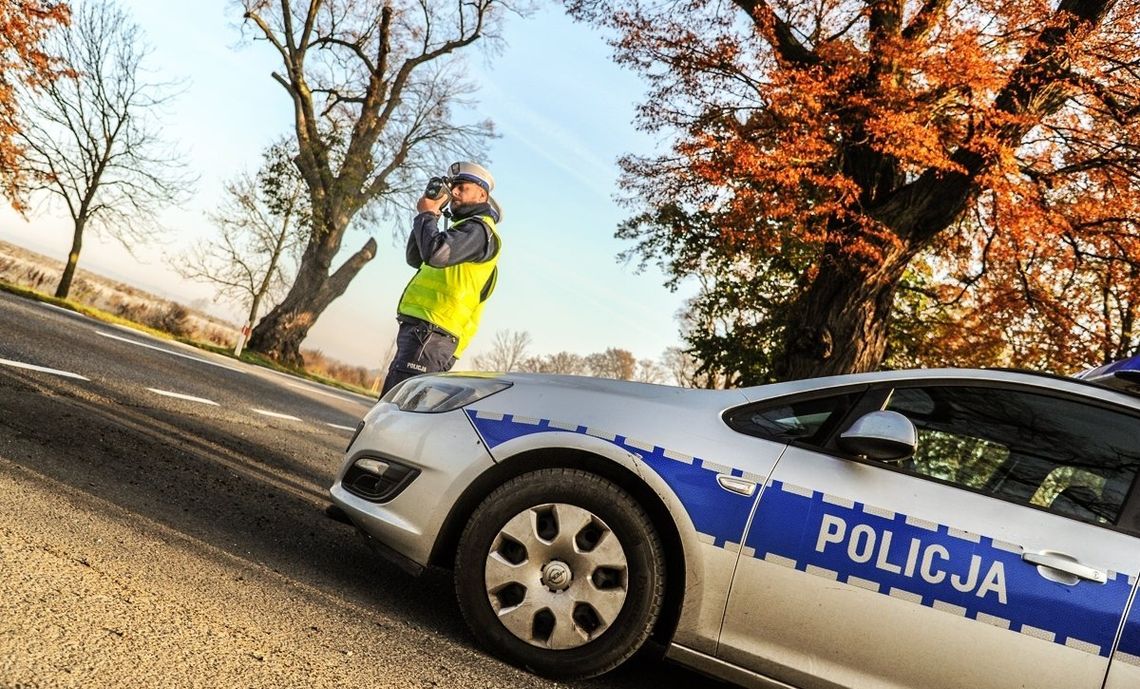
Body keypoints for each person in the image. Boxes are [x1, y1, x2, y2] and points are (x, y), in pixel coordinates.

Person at [380, 161, 502, 396]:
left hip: (432, 332)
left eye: (462, 187)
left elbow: (435, 254)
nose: (454, 192)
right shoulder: (462, 231)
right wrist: (431, 215)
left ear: (482, 195)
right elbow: (415, 257)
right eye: (452, 187)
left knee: (395, 406)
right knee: (402, 405)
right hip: (427, 332)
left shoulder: (478, 231)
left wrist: (426, 215)